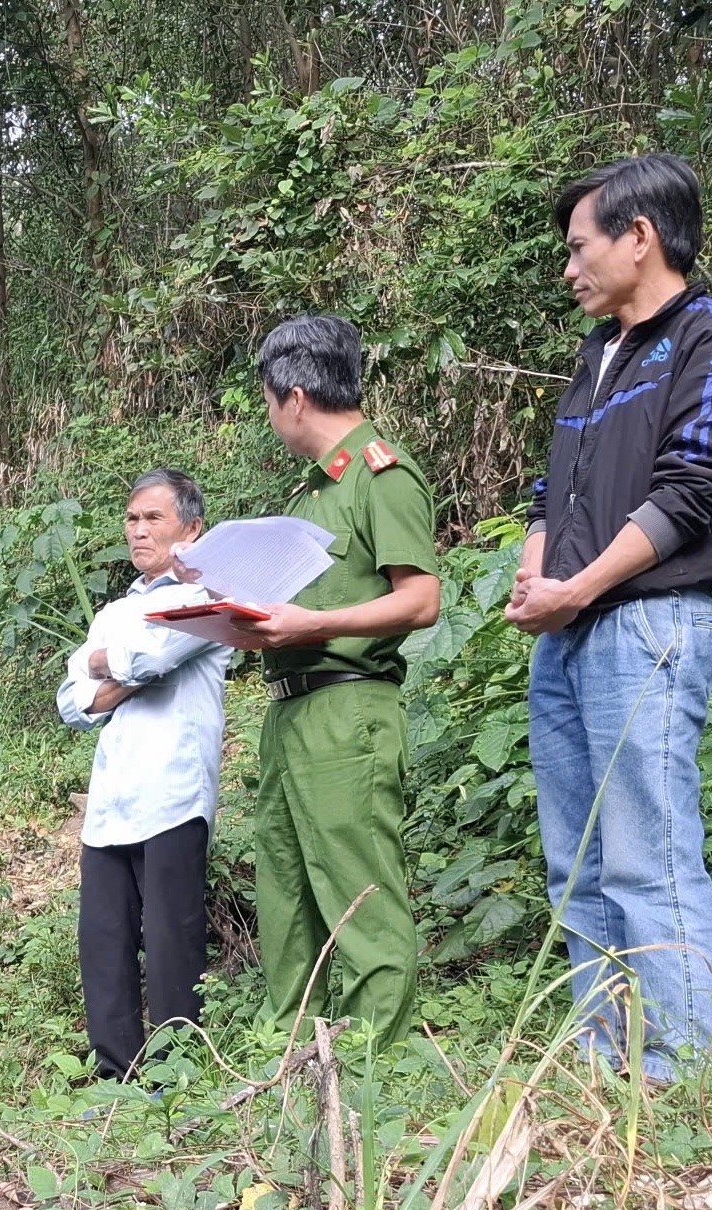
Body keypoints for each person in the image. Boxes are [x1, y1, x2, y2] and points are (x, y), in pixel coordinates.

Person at [505, 153, 712, 1080]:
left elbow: (694, 487)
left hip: (647, 627)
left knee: (646, 854)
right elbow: (554, 487)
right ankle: (607, 1059)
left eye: (579, 247)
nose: (567, 268)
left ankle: (687, 1076)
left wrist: (580, 588)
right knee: (575, 864)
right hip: (567, 634)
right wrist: (537, 570)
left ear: (639, 237)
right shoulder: (596, 353)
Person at [239, 316, 440, 1043]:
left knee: (356, 881)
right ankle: (289, 1047)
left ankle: (371, 1054)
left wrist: (308, 627)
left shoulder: (379, 474)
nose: (271, 418)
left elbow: (419, 599)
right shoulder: (311, 492)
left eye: (267, 402)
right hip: (289, 709)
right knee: (286, 885)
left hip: (347, 705)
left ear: (293, 397)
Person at [56, 470, 233, 1081]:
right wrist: (112, 673)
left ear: (192, 528)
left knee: (171, 941)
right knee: (102, 941)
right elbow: (69, 702)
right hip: (111, 799)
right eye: (132, 518)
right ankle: (115, 1072)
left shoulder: (208, 597)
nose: (138, 530)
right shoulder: (115, 610)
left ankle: (176, 1072)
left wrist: (102, 663)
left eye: (153, 518)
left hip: (174, 792)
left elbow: (153, 657)